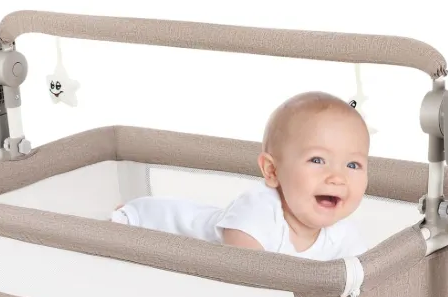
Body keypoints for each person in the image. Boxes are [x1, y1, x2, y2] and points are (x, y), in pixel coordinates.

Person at [111, 91, 370, 260]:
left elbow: (362, 278)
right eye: (317, 160)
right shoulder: (257, 211)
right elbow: (242, 279)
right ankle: (127, 212)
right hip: (146, 225)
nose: (337, 177)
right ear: (272, 171)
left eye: (353, 164)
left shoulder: (343, 234)